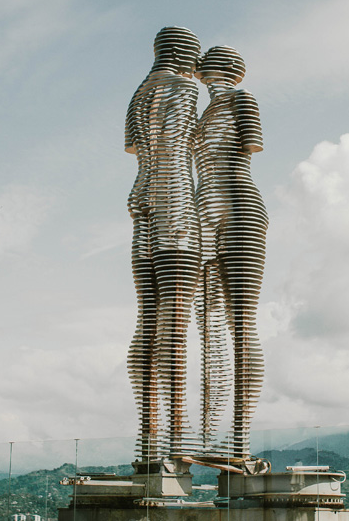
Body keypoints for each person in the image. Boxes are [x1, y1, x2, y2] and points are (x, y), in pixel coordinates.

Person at [125, 26, 203, 461]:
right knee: (174, 326)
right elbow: (188, 149)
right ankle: (178, 435)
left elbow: (134, 151)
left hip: (142, 217)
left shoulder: (139, 94)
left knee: (146, 323)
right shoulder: (183, 88)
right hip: (176, 216)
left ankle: (148, 436)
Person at [194, 45, 267, 459]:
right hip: (207, 214)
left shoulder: (243, 100)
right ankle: (209, 437)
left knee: (240, 320)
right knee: (207, 317)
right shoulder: (201, 114)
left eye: (208, 62)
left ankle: (240, 437)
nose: (200, 68)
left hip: (240, 210)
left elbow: (249, 146)